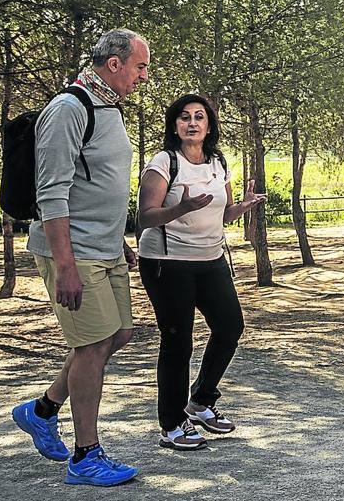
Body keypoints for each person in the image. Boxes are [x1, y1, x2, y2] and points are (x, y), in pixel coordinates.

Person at [11, 28, 149, 486]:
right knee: (92, 346)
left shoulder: (107, 108)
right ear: (114, 64)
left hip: (105, 247)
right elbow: (52, 194)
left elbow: (98, 185)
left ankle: (43, 409)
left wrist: (119, 239)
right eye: (140, 66)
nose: (143, 76)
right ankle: (85, 456)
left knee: (119, 334)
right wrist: (65, 265)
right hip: (74, 253)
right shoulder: (69, 109)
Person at [137, 94, 266, 451]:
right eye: (184, 117)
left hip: (210, 260)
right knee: (178, 341)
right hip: (167, 262)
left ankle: (201, 401)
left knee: (229, 327)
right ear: (174, 125)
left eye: (199, 117)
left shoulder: (217, 162)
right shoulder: (164, 163)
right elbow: (145, 217)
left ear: (209, 125)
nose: (192, 123)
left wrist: (241, 206)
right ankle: (172, 424)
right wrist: (180, 207)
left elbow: (220, 215)